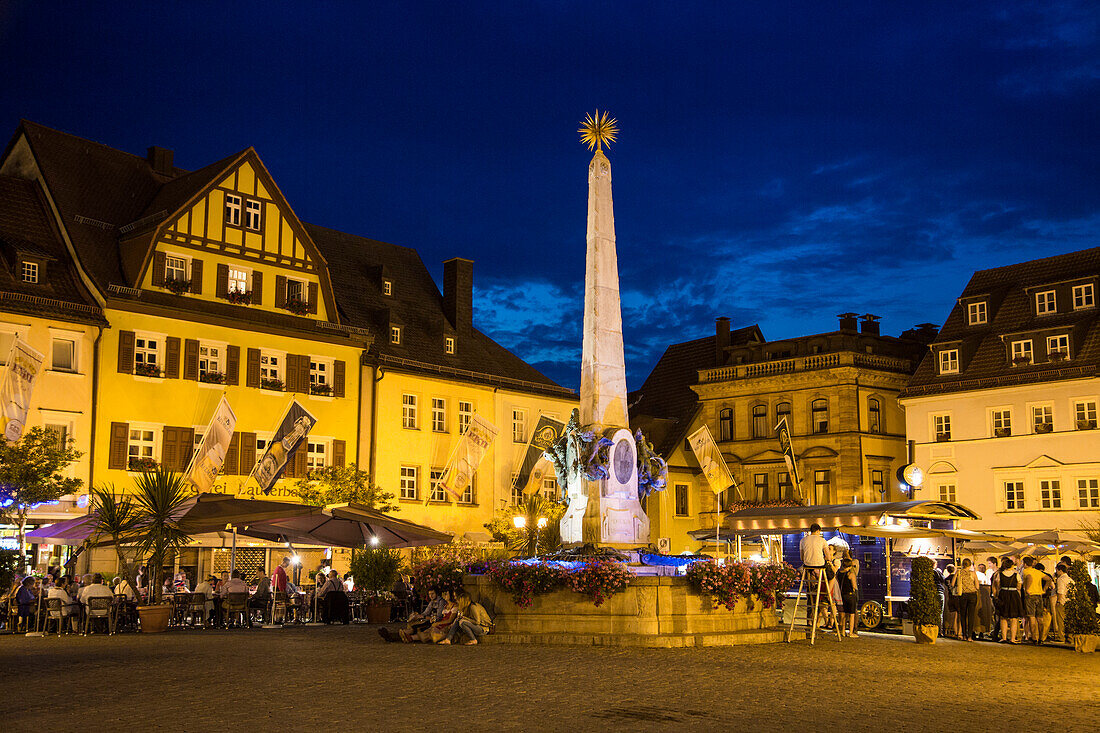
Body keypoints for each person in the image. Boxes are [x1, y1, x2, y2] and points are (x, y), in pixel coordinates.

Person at [379, 585, 448, 643]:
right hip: (429, 621)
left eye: (432, 594)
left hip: (435, 623)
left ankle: (392, 636)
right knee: (414, 626)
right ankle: (392, 636)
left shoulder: (441, 602)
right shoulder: (432, 602)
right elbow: (426, 612)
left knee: (415, 628)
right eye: (429, 594)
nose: (431, 596)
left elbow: (438, 617)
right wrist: (418, 616)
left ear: (436, 593)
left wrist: (423, 617)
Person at [798, 524, 834, 627]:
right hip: (820, 565)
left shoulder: (803, 540)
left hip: (807, 566)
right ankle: (827, 594)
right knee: (832, 576)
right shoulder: (822, 540)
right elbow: (828, 556)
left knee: (810, 592)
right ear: (818, 531)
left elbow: (801, 557)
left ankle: (809, 620)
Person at [995, 557, 1022, 644]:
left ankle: (1004, 637)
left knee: (1003, 617)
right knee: (1013, 618)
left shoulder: (1000, 574)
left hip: (1003, 594)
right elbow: (1019, 586)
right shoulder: (1016, 574)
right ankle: (1013, 638)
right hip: (1013, 594)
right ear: (1012, 565)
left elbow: (997, 585)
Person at [953, 558, 979, 642]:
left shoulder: (958, 572)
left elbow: (953, 583)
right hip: (972, 595)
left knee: (963, 615)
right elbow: (977, 586)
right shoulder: (973, 573)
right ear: (970, 565)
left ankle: (964, 635)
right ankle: (970, 636)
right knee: (971, 615)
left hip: (962, 595)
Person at [1020, 556, 1044, 644]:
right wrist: (1044, 590)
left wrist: (1027, 589)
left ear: (1025, 564)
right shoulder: (1037, 572)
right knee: (1040, 618)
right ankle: (1041, 638)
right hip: (1039, 595)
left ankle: (1034, 637)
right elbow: (1048, 579)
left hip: (1030, 596)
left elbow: (1029, 578)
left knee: (1031, 617)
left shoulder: (1025, 571)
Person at [837, 551, 860, 637]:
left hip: (842, 595)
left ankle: (842, 631)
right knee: (851, 614)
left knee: (844, 615)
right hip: (850, 595)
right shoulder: (850, 574)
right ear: (850, 566)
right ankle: (851, 632)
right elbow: (854, 585)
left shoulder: (839, 573)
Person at [1051, 563, 1070, 643]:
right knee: (1067, 620)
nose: (1056, 572)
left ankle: (1061, 637)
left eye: (1057, 570)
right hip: (1069, 602)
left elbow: (1060, 591)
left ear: (1060, 570)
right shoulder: (1069, 579)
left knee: (1061, 620)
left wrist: (1058, 601)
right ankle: (1069, 637)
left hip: (1062, 601)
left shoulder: (1060, 579)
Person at [975, 561, 994, 640]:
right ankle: (982, 631)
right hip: (983, 597)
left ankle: (977, 631)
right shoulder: (981, 575)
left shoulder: (978, 574)